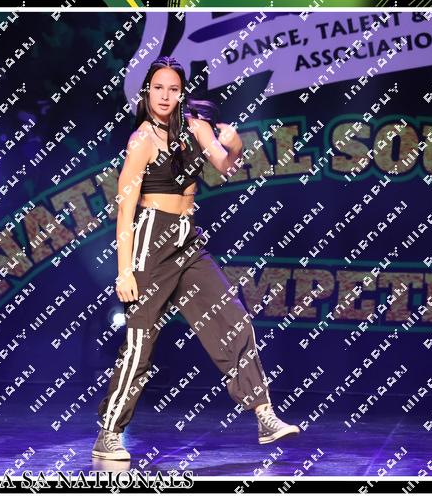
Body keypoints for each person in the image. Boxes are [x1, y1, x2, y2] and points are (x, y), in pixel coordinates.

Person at [92, 56, 300, 461]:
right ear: (147, 92)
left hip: (187, 238)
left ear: (181, 93)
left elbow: (225, 165)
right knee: (140, 342)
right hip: (151, 239)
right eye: (158, 88)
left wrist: (235, 144)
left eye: (173, 89)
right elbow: (125, 210)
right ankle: (109, 432)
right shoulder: (142, 141)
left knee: (233, 319)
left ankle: (264, 415)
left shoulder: (195, 128)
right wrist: (124, 271)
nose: (164, 96)